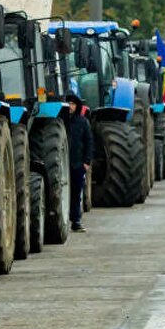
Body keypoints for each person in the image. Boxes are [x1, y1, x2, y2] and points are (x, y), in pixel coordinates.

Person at [62, 93, 93, 232]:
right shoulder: (61, 121)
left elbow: (89, 142)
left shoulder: (82, 122)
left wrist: (86, 162)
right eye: (68, 103)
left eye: (73, 104)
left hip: (77, 163)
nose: (70, 106)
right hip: (63, 164)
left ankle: (76, 221)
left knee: (76, 193)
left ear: (77, 106)